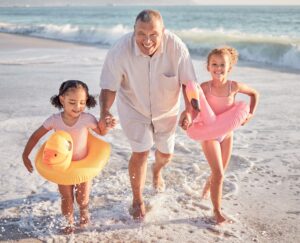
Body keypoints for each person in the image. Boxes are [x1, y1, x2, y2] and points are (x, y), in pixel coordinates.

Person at [98, 9, 196, 219]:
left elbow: (189, 83)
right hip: (134, 108)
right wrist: (105, 111)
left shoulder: (176, 47)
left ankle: (157, 171)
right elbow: (108, 86)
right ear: (134, 31)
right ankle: (137, 199)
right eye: (141, 34)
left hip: (166, 110)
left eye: (153, 34)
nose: (147, 40)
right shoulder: (119, 51)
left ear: (163, 32)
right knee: (141, 152)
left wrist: (188, 110)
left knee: (166, 155)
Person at [185, 46, 259, 224]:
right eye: (214, 64)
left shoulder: (234, 87)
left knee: (220, 172)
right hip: (209, 136)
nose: (218, 68)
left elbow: (254, 94)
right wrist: (188, 117)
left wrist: (251, 114)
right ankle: (217, 211)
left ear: (229, 68)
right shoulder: (204, 88)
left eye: (222, 65)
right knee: (219, 174)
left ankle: (207, 187)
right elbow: (193, 107)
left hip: (226, 135)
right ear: (208, 67)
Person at [22, 80, 108, 234]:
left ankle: (84, 215)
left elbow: (102, 132)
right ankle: (68, 223)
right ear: (62, 99)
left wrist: (107, 124)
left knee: (82, 199)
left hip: (83, 165)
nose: (78, 107)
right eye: (72, 102)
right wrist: (25, 155)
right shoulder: (54, 120)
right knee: (66, 198)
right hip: (62, 166)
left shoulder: (87, 119)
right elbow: (36, 136)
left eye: (82, 102)